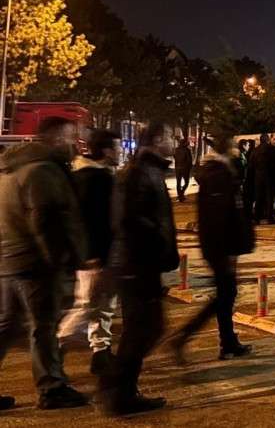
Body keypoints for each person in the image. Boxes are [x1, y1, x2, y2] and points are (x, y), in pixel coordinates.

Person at [0, 117, 89, 411]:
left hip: (9, 262)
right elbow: (46, 220)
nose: (74, 144)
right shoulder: (43, 172)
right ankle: (52, 388)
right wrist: (58, 261)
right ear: (52, 139)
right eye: (69, 137)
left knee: (8, 326)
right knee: (43, 327)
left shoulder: (11, 170)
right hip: (35, 264)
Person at [100, 122, 179, 416]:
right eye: (172, 136)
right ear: (158, 140)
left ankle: (120, 389)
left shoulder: (149, 171)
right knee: (143, 329)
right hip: (135, 265)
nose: (175, 141)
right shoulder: (138, 173)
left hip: (140, 264)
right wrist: (158, 246)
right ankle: (116, 390)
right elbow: (129, 221)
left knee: (144, 329)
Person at [170, 135, 254, 363]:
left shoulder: (221, 170)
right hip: (221, 248)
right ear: (227, 148)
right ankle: (187, 337)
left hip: (222, 247)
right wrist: (228, 251)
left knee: (225, 295)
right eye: (234, 144)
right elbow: (218, 219)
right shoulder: (218, 174)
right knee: (224, 295)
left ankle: (227, 342)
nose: (237, 148)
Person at [58, 129, 121, 376]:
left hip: (101, 253)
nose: (119, 152)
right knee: (87, 305)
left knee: (104, 305)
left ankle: (101, 353)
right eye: (116, 148)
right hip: (94, 256)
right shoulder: (93, 179)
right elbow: (89, 222)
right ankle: (57, 346)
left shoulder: (96, 175)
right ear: (106, 151)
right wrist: (92, 255)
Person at [247, 132, 275, 223]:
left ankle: (257, 217)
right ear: (267, 140)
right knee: (270, 197)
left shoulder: (255, 150)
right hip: (270, 176)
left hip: (258, 176)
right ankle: (269, 217)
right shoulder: (272, 150)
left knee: (258, 197)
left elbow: (250, 165)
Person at [173, 136, 193, 202]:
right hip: (185, 169)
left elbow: (175, 158)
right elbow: (189, 161)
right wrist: (190, 168)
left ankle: (180, 196)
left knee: (178, 183)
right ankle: (181, 194)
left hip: (177, 168)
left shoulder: (176, 150)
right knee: (186, 183)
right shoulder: (187, 150)